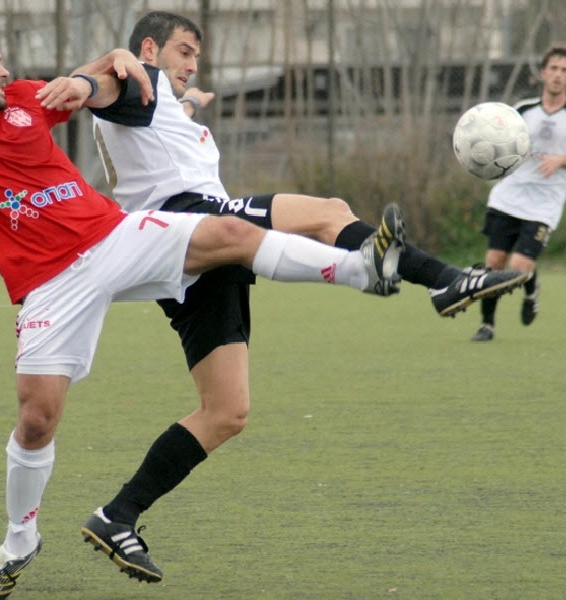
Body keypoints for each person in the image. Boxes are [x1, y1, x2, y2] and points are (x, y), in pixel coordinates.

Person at [0, 25, 406, 599]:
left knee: (228, 233)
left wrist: (109, 63)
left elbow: (100, 75)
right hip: (49, 283)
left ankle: (361, 269)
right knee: (36, 419)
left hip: (112, 237)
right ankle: (20, 539)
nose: (5, 71)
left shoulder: (24, 100)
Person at [77, 11, 532, 583]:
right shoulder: (134, 80)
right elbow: (92, 90)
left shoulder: (160, 98)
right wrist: (99, 69)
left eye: (196, 55)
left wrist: (189, 101)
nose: (192, 64)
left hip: (201, 258)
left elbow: (158, 125)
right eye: (184, 51)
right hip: (187, 223)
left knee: (226, 412)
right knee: (328, 212)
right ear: (149, 47)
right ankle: (443, 279)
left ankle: (117, 514)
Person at [471, 44, 566, 342]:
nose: (558, 75)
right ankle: (487, 325)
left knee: (519, 267)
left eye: (564, 70)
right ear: (543, 73)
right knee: (494, 263)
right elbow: (501, 140)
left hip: (544, 203)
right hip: (509, 196)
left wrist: (561, 159)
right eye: (554, 68)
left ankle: (530, 287)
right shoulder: (523, 110)